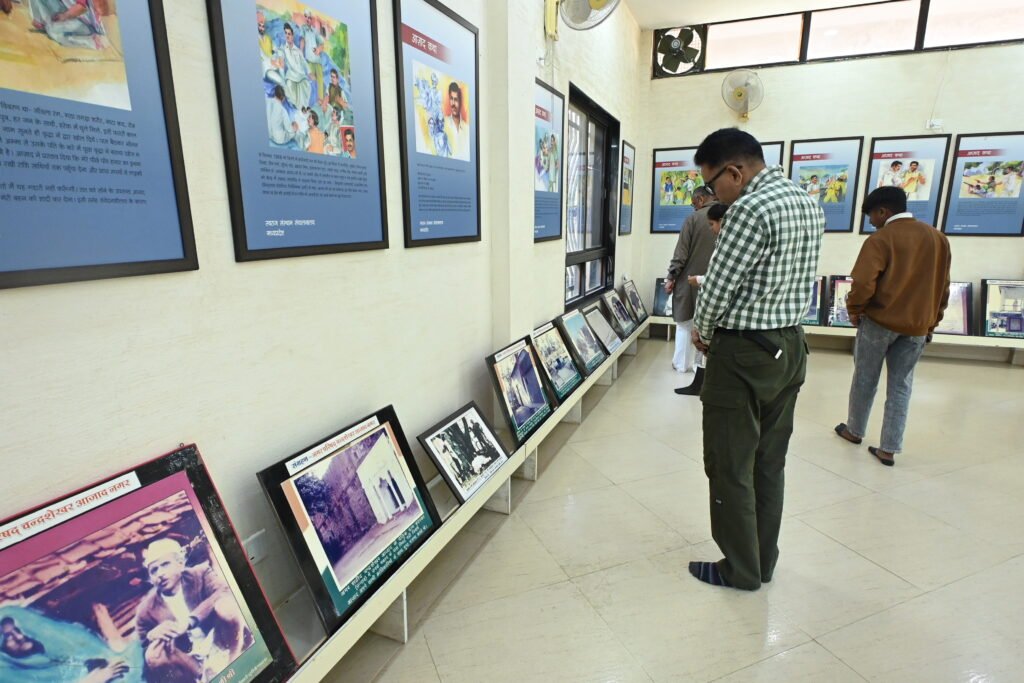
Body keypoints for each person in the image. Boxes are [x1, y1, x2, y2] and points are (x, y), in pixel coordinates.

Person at [687, 128, 824, 590]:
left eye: (713, 185)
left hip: (744, 351)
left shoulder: (748, 208)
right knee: (769, 461)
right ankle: (764, 561)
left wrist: (703, 336)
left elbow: (719, 286)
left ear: (735, 171)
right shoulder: (806, 201)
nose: (712, 196)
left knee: (729, 462)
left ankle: (739, 569)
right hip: (790, 346)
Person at [834, 187, 951, 466]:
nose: (871, 222)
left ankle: (854, 430)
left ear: (883, 211)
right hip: (918, 327)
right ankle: (889, 448)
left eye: (872, 216)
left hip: (879, 322)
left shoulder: (881, 239)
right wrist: (933, 321)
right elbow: (943, 286)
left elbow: (863, 283)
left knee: (865, 377)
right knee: (901, 385)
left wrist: (854, 310)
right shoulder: (938, 238)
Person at [135, 538, 253, 682]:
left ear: (180, 563)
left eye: (165, 564)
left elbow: (223, 591)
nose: (160, 573)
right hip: (188, 657)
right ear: (151, 578)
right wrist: (152, 636)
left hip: (220, 637)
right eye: (154, 570)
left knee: (225, 606)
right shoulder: (145, 610)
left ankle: (234, 659)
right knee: (152, 654)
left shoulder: (200, 573)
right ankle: (200, 675)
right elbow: (145, 654)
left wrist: (191, 621)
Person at [665, 186, 717, 382]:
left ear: (701, 199)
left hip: (689, 281)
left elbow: (681, 254)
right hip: (714, 283)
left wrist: (671, 277)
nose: (693, 207)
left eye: (693, 203)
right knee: (707, 326)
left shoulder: (693, 219)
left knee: (684, 323)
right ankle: (700, 366)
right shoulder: (728, 215)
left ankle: (681, 365)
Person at [680, 202, 730, 396]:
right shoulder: (722, 242)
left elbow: (722, 280)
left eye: (712, 224)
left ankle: (704, 386)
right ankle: (699, 383)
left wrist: (699, 279)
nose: (711, 229)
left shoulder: (730, 245)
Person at [29, 0, 107, 49]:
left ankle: (91, 41)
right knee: (52, 28)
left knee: (54, 31)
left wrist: (64, 16)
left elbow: (82, 8)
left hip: (84, 22)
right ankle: (42, 21)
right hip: (68, 13)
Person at [281, 23, 311, 110]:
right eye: (286, 33)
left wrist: (309, 72)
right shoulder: (283, 49)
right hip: (291, 76)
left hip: (301, 76)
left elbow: (304, 62)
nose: (287, 36)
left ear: (292, 35)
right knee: (289, 86)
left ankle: (303, 109)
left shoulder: (297, 50)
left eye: (289, 34)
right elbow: (282, 64)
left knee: (306, 86)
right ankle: (297, 110)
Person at [299, 10, 324, 103]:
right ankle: (310, 102)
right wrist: (301, 54)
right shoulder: (303, 29)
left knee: (320, 82)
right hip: (309, 60)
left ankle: (320, 102)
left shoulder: (315, 31)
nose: (308, 19)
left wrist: (318, 50)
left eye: (310, 17)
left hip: (318, 60)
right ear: (304, 18)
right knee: (311, 82)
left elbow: (322, 44)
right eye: (306, 17)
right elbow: (302, 41)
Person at [445, 82, 470, 161]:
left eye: (456, 100)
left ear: (460, 102)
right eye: (451, 99)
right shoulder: (443, 124)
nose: (453, 104)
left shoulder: (467, 129)